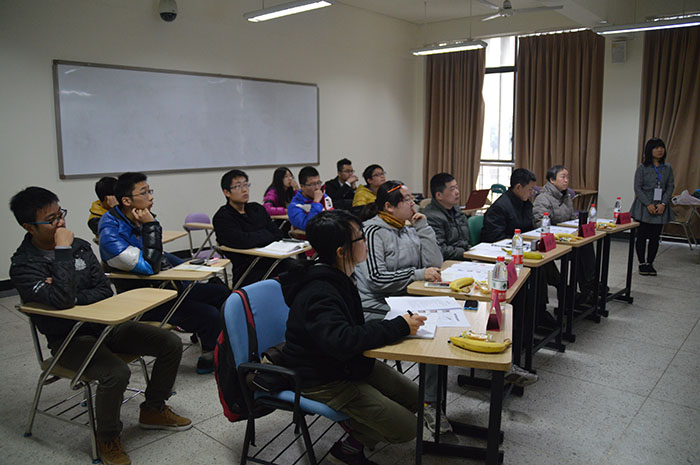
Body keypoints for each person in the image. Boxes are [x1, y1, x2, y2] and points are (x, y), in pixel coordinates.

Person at [10, 187, 191, 465]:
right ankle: (107, 438)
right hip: (69, 339)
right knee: (116, 373)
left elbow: (104, 292)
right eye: (51, 220)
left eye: (60, 214)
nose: (61, 223)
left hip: (106, 325)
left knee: (169, 342)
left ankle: (153, 410)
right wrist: (61, 253)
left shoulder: (80, 246)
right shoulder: (23, 265)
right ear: (28, 227)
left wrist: (68, 295)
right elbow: (61, 300)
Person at [281, 210, 426, 465]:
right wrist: (399, 326)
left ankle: (358, 424)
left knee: (417, 399)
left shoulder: (339, 275)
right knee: (406, 428)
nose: (366, 242)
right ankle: (348, 447)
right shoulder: (319, 291)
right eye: (360, 238)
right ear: (341, 251)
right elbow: (343, 340)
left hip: (345, 362)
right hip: (321, 376)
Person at [98, 172, 229, 375]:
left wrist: (193, 267)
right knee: (209, 315)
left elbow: (160, 254)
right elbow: (150, 266)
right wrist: (150, 225)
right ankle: (208, 358)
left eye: (150, 191)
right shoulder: (110, 233)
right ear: (126, 200)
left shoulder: (136, 217)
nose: (151, 197)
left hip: (166, 288)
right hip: (146, 301)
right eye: (144, 192)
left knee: (221, 293)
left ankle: (217, 342)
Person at [354, 181, 450, 434]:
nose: (413, 204)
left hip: (404, 299)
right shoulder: (372, 232)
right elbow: (376, 279)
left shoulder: (407, 228)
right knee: (430, 331)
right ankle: (428, 403)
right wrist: (417, 273)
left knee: (440, 323)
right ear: (389, 206)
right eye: (407, 200)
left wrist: (423, 228)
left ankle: (430, 399)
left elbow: (434, 263)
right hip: (375, 304)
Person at [482, 169, 559, 328]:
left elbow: (528, 229)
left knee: (544, 264)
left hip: (520, 250)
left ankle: (543, 309)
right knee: (538, 270)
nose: (532, 193)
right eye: (530, 189)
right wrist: (520, 245)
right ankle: (534, 316)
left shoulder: (525, 203)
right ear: (518, 187)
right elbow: (494, 238)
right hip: (501, 255)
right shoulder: (500, 207)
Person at [213, 169, 291, 287]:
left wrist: (256, 237)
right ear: (227, 192)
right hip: (249, 269)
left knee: (304, 269)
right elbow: (243, 241)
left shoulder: (257, 209)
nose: (244, 190)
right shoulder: (223, 217)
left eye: (246, 185)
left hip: (274, 260)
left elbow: (277, 234)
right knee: (290, 278)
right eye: (238, 186)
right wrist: (265, 234)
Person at [533, 165, 597, 304]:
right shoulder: (543, 198)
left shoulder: (566, 196)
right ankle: (580, 291)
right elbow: (540, 224)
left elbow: (571, 218)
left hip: (566, 237)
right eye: (563, 177)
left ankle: (589, 287)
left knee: (585, 245)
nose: (566, 180)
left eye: (567, 177)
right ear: (552, 180)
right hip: (550, 241)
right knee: (580, 250)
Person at [630, 137, 675, 276]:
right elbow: (637, 188)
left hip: (661, 206)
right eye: (656, 148)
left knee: (655, 237)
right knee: (641, 236)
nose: (659, 150)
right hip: (644, 206)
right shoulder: (642, 168)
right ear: (650, 150)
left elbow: (670, 186)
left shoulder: (667, 168)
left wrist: (663, 203)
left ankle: (650, 262)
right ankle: (642, 263)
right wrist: (648, 204)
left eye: (661, 147)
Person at [423, 173, 471, 260]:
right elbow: (441, 250)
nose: (457, 192)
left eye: (456, 187)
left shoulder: (456, 210)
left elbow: (465, 240)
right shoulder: (432, 217)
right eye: (452, 189)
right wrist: (466, 254)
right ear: (439, 195)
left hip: (464, 256)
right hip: (449, 261)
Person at [288, 166, 334, 231]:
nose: (317, 187)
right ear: (302, 186)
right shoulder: (295, 206)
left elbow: (334, 219)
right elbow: (308, 226)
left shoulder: (325, 197)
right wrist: (316, 202)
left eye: (318, 183)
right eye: (312, 184)